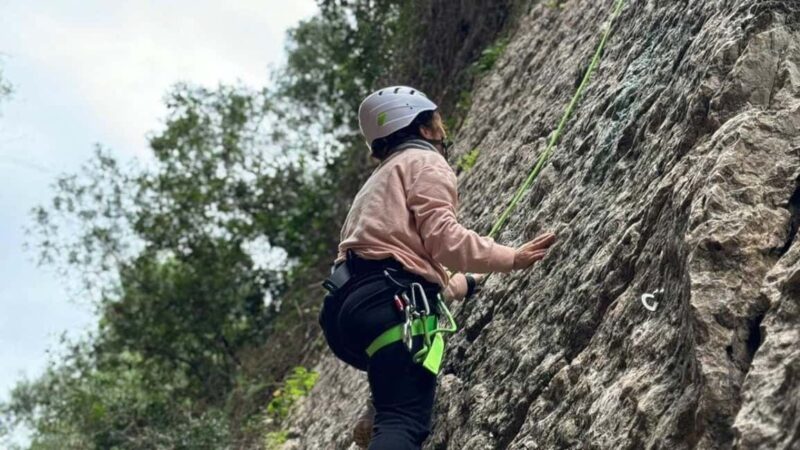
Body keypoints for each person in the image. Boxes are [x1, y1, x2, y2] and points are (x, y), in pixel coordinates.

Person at [318, 86, 556, 449]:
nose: (444, 134)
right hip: (390, 301)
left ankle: (378, 405)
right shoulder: (425, 161)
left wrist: (466, 283)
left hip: (346, 312)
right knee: (403, 420)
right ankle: (387, 412)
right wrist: (512, 257)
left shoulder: (374, 185)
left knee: (394, 373)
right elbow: (445, 241)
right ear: (425, 128)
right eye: (439, 124)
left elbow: (403, 267)